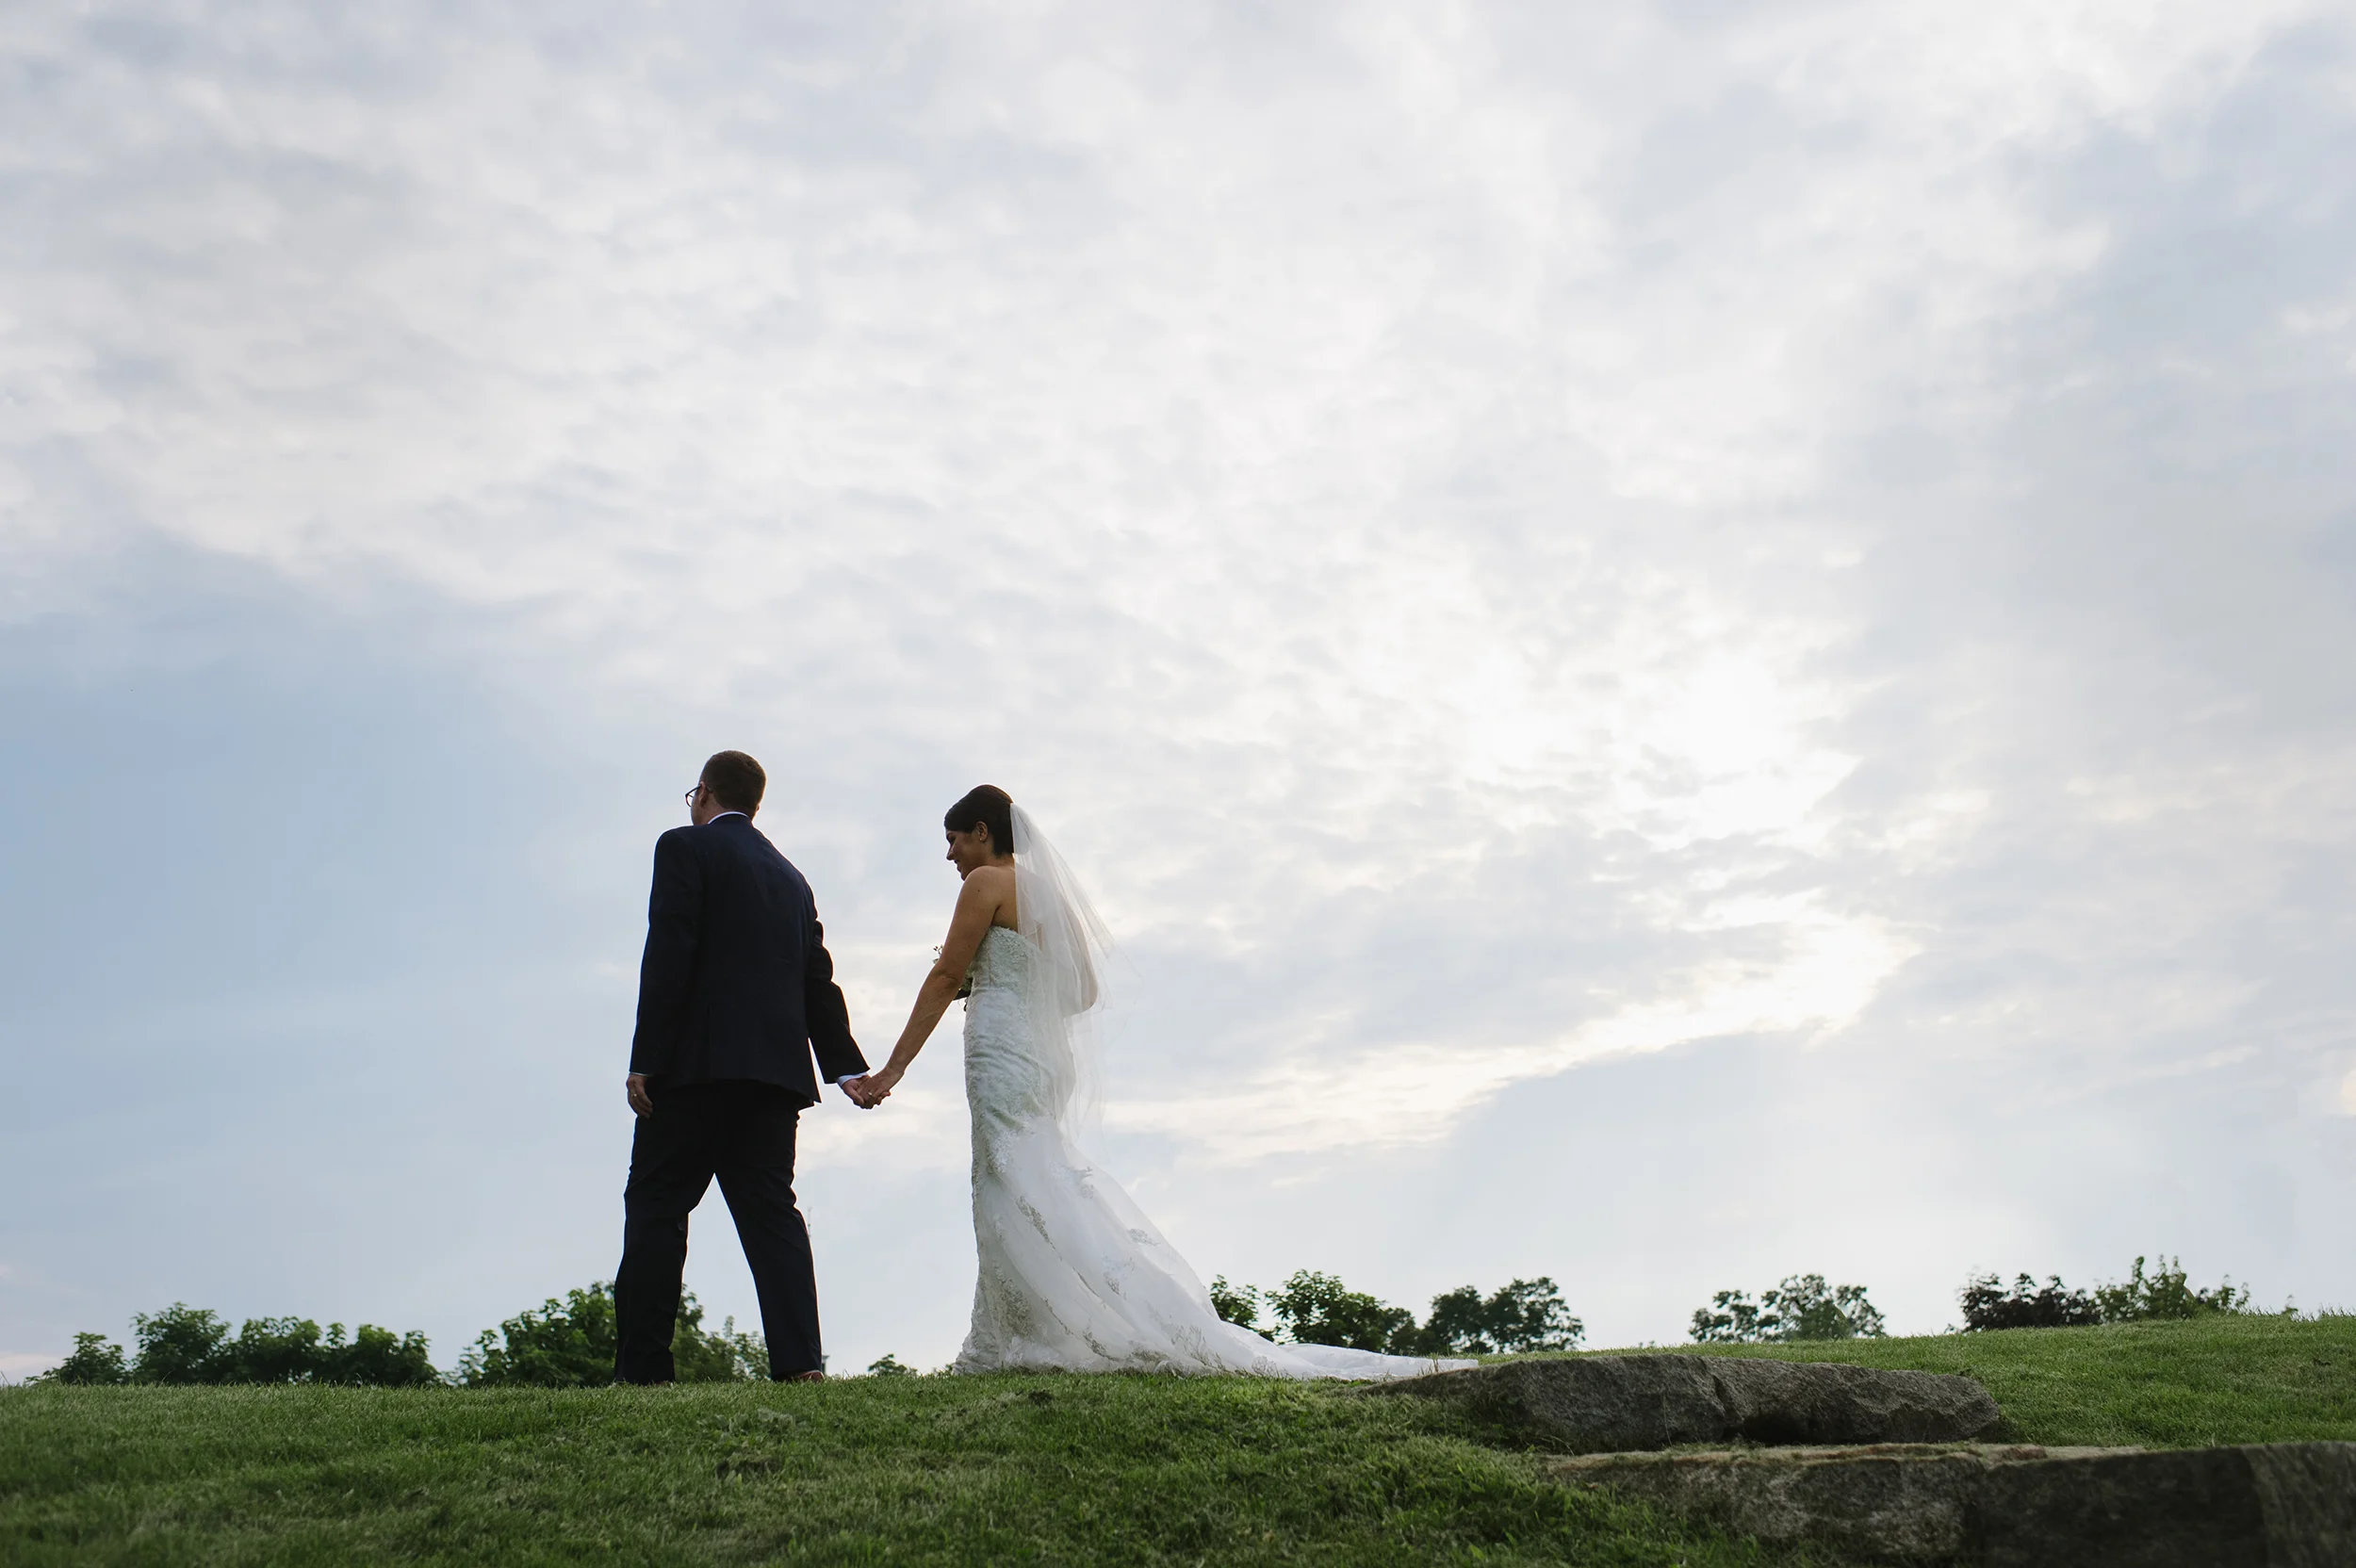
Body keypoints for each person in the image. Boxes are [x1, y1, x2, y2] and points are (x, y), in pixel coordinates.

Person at [845, 786, 1470, 1379]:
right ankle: (1006, 1334)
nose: (950, 854)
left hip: (1002, 1052)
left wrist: (893, 1069)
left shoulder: (986, 883)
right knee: (1023, 1176)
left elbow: (945, 975)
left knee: (1007, 1176)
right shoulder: (1046, 898)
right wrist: (1016, 988)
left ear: (984, 833)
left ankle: (1041, 1331)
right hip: (1041, 1057)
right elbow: (1083, 993)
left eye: (955, 838)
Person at [614, 750, 871, 1383]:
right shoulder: (791, 879)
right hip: (774, 1078)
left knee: (656, 1207)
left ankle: (644, 1370)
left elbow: (670, 949)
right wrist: (843, 1068)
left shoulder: (683, 848)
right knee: (771, 1216)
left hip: (693, 1070)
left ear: (704, 793)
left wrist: (646, 1059)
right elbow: (818, 979)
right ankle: (801, 1364)